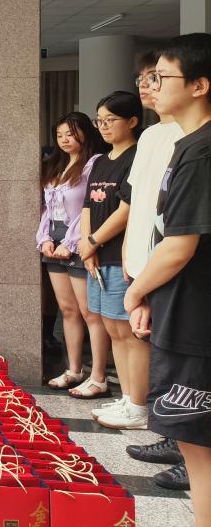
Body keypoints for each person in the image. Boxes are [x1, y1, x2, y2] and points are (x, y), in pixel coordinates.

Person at [125, 32, 211, 526]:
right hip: (184, 307)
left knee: (199, 448)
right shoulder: (186, 144)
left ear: (199, 85)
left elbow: (180, 245)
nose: (151, 86)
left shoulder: (201, 152)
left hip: (197, 318)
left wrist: (136, 291)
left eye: (161, 77)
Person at [118, 53, 188, 488]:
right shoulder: (150, 136)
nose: (147, 86)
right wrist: (131, 260)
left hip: (175, 267)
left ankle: (191, 447)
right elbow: (138, 203)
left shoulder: (192, 137)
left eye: (157, 78)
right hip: (144, 262)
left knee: (187, 365)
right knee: (164, 357)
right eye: (143, 78)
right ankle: (172, 436)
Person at [76, 92, 141, 406]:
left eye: (110, 120)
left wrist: (92, 242)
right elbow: (88, 206)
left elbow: (126, 210)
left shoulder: (137, 157)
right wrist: (87, 246)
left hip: (119, 256)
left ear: (132, 121)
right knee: (110, 327)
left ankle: (135, 399)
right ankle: (126, 398)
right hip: (97, 257)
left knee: (125, 329)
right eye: (99, 121)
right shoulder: (100, 161)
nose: (103, 126)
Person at [37, 111, 108, 390]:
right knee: (68, 310)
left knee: (90, 312)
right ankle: (74, 370)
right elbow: (47, 209)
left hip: (80, 240)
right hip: (53, 242)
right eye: (59, 135)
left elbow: (88, 210)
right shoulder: (55, 166)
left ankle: (98, 376)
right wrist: (44, 238)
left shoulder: (94, 164)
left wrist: (69, 243)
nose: (65, 139)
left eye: (71, 133)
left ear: (85, 133)